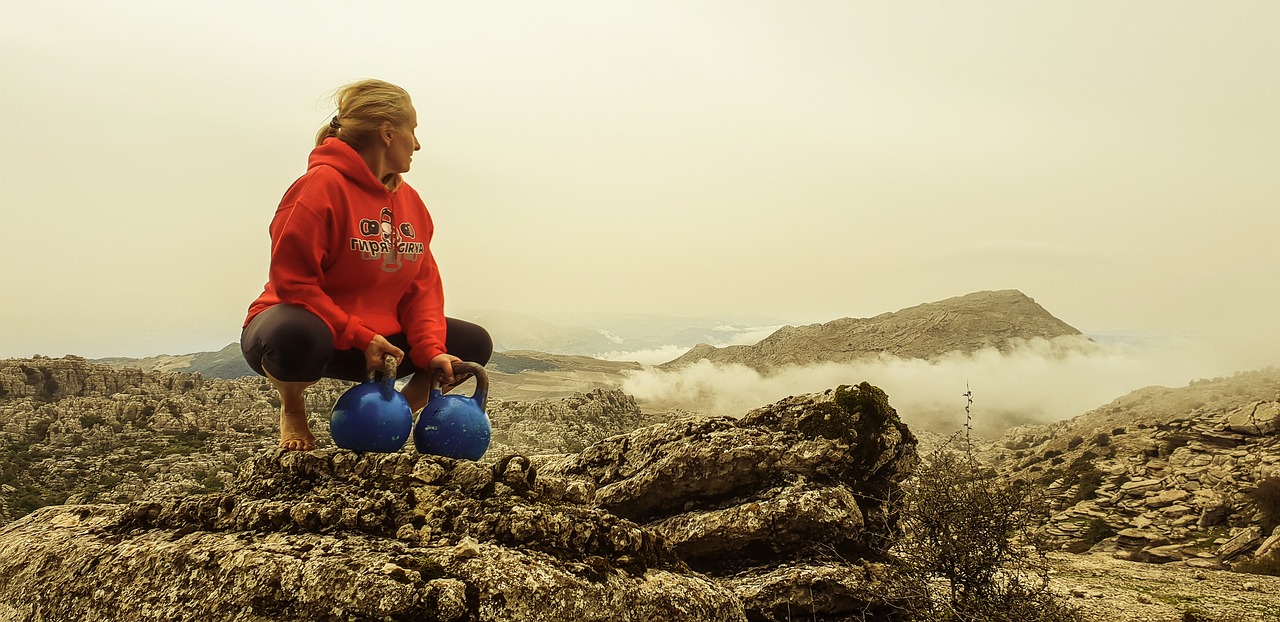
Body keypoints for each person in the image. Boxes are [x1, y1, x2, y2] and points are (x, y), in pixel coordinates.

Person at [241, 79, 492, 451]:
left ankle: (397, 412)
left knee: (472, 342)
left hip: (380, 344)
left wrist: (431, 350)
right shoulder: (318, 188)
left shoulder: (411, 203)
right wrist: (360, 336)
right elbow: (294, 285)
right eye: (414, 131)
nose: (418, 144)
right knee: (295, 337)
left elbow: (421, 290)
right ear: (388, 134)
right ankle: (292, 408)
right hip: (314, 333)